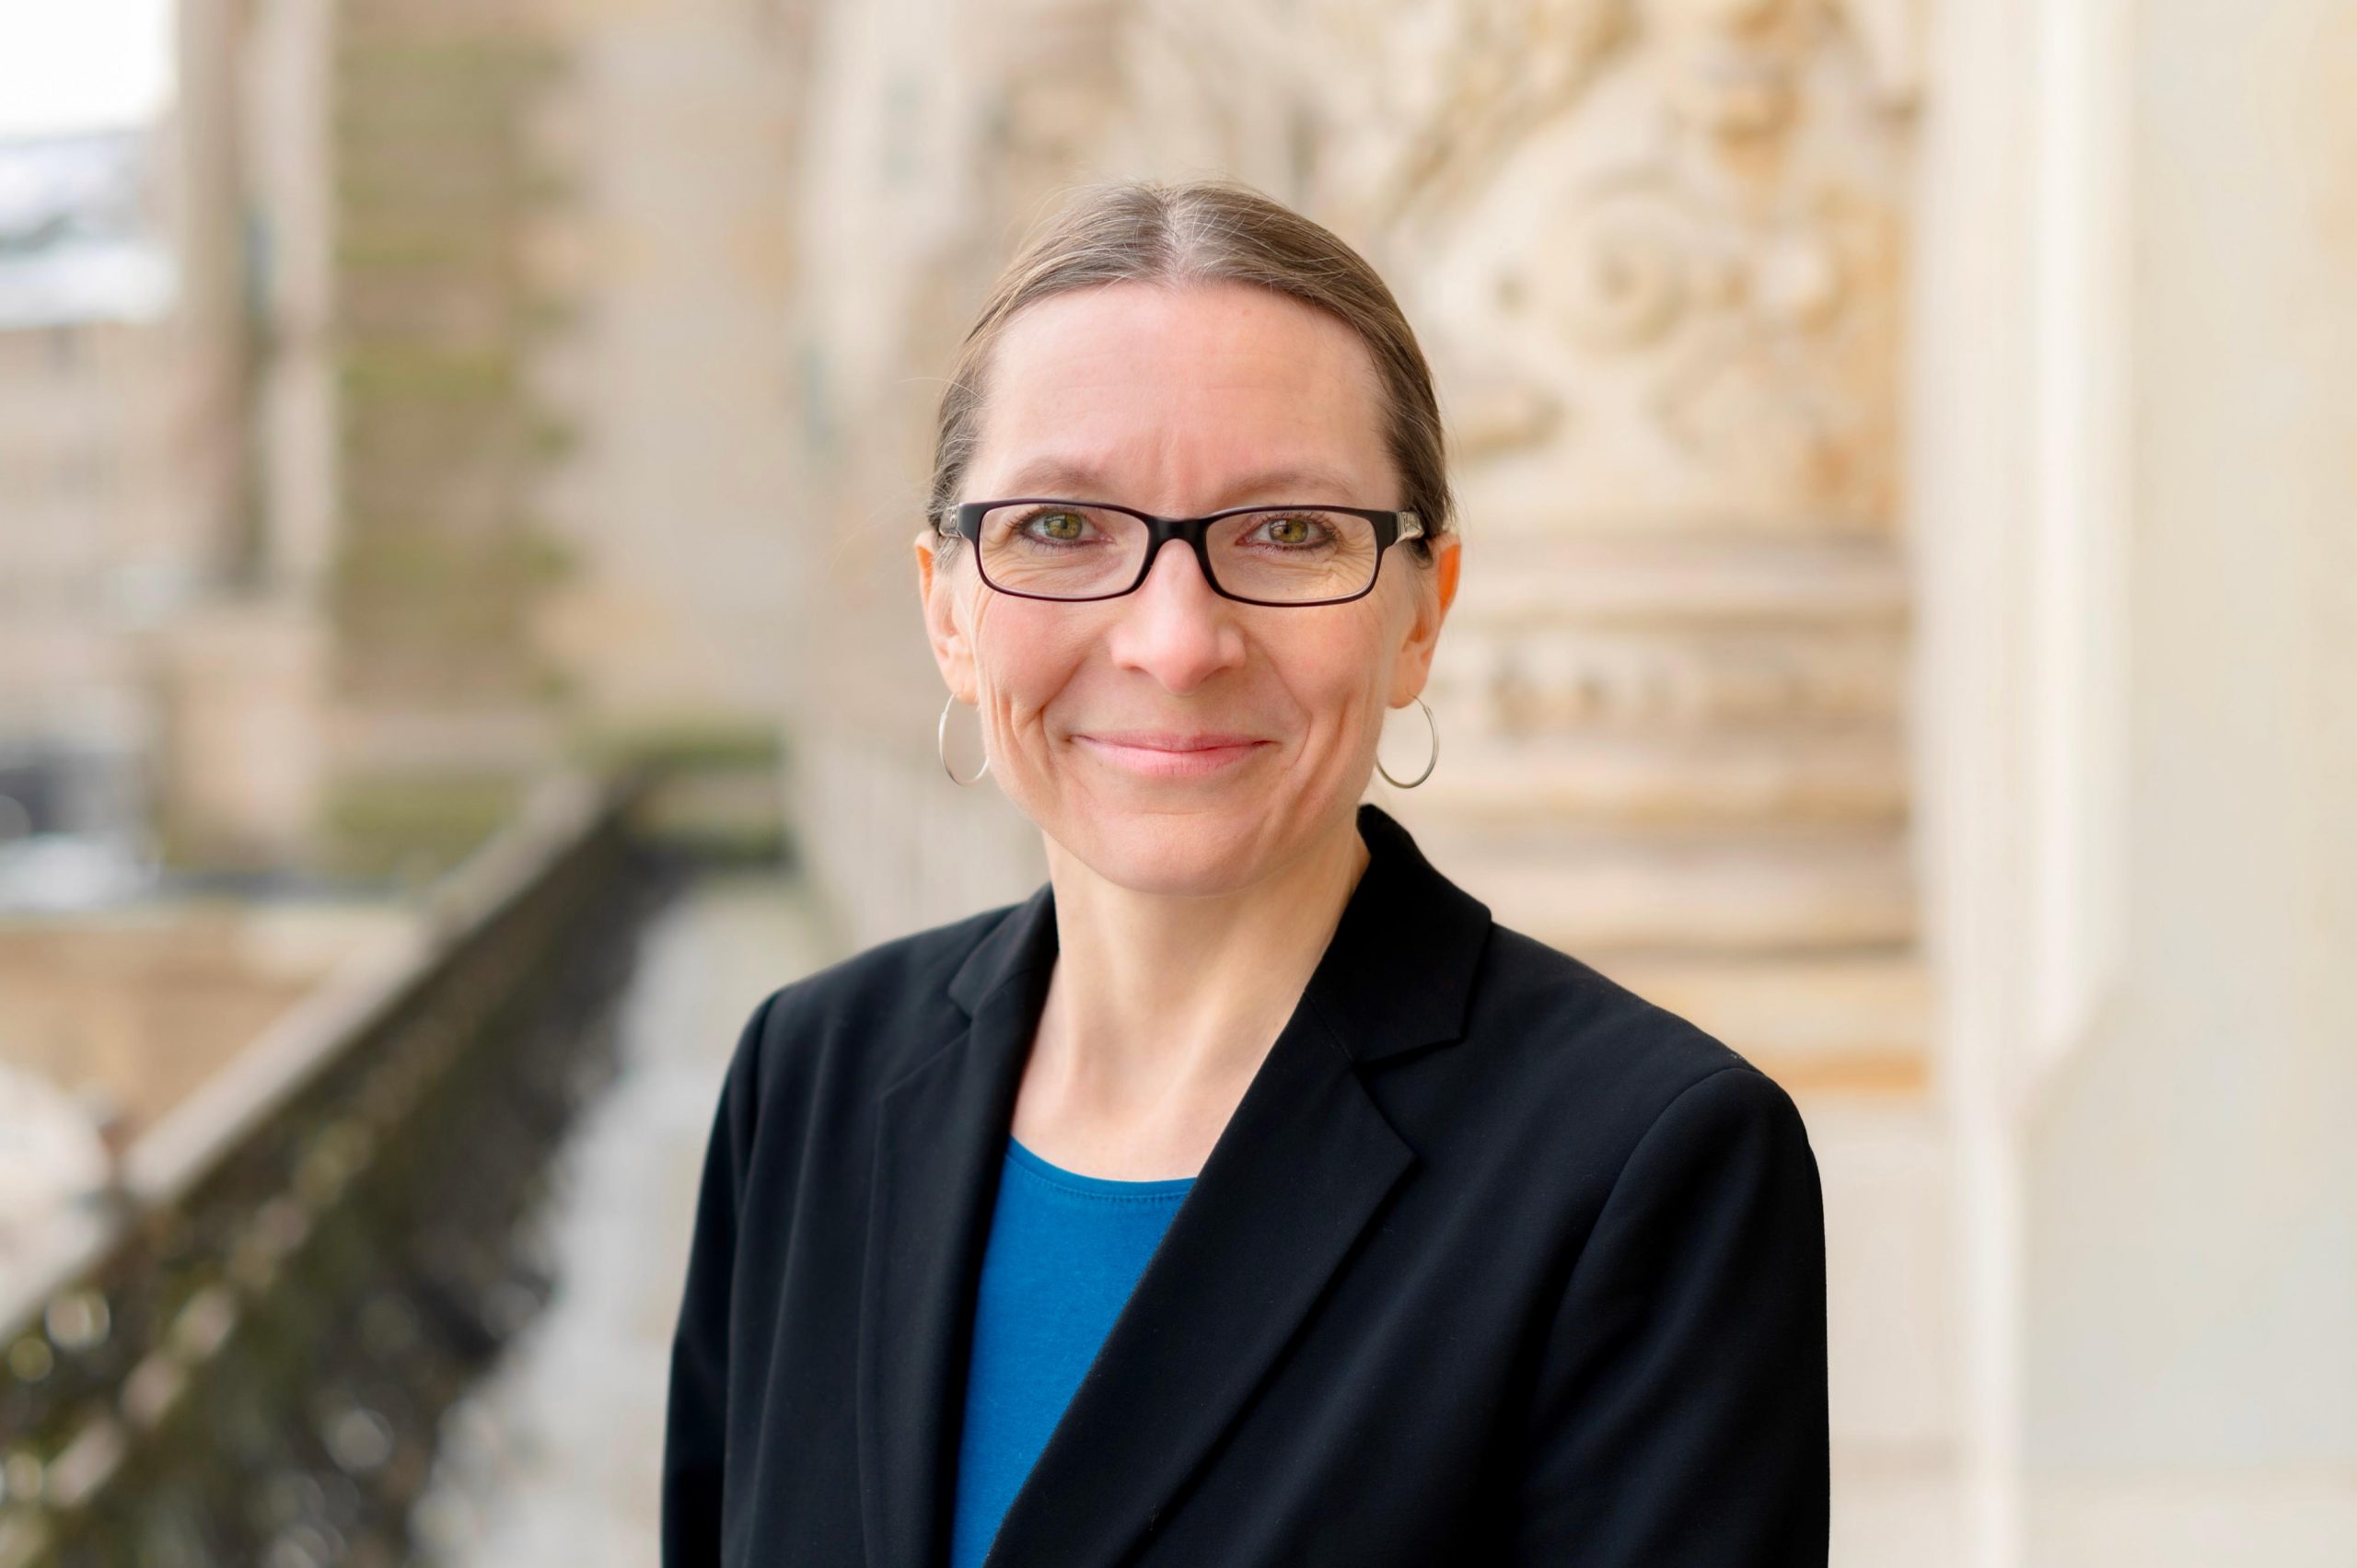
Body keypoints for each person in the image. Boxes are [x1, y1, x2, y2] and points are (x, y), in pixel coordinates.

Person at [661, 177, 1828, 1567]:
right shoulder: (809, 1079)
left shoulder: (1647, 1167)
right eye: (1061, 528)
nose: (1174, 642)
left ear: (1421, 614)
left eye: (1289, 533)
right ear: (948, 611)